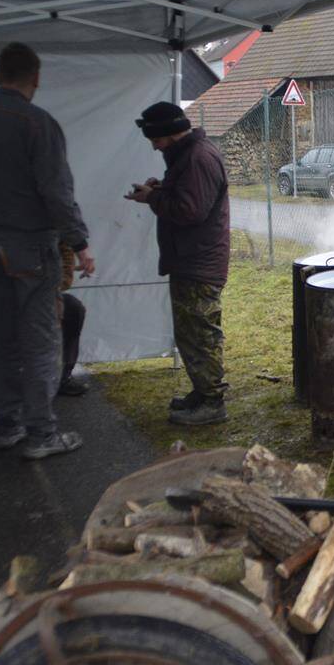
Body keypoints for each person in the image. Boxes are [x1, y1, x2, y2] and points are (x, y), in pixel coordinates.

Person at [0, 42, 95, 459]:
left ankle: (4, 425)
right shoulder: (38, 124)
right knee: (40, 342)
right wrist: (80, 243)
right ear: (36, 78)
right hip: (31, 249)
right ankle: (42, 435)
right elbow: (56, 191)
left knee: (1, 339)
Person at [126, 101, 230, 426]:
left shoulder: (197, 158)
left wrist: (152, 197)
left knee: (201, 333)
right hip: (190, 259)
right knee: (189, 333)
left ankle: (212, 402)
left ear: (171, 133)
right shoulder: (187, 156)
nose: (154, 146)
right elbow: (187, 199)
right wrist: (160, 190)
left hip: (199, 262)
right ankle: (202, 391)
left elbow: (190, 211)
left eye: (156, 139)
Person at [0, 211, 89, 397]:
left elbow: (64, 254)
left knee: (72, 309)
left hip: (40, 289)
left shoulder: (44, 210)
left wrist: (51, 286)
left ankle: (60, 376)